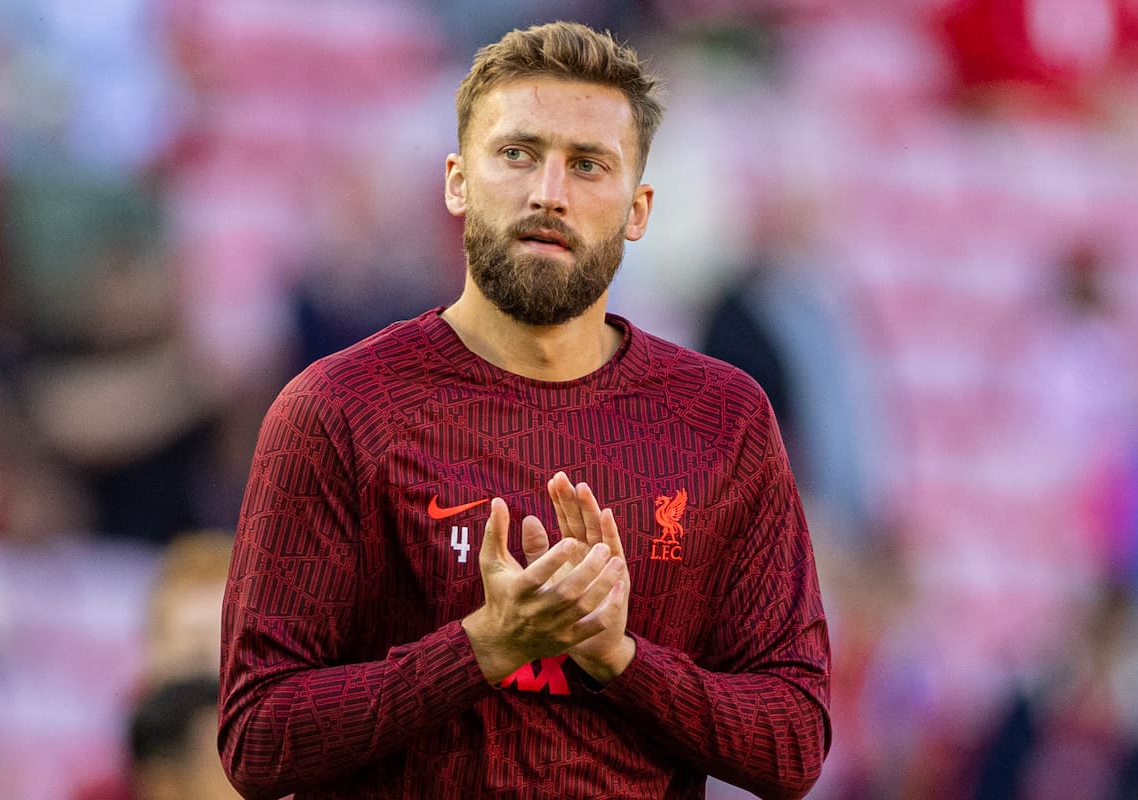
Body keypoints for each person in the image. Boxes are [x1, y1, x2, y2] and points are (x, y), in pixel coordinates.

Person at [219, 20, 830, 800]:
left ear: (638, 209)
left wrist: (620, 659)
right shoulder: (338, 410)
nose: (549, 192)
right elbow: (256, 739)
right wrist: (484, 645)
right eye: (517, 154)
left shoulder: (721, 419)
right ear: (456, 181)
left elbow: (794, 740)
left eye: (588, 165)